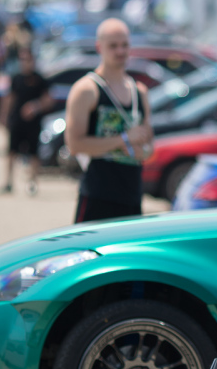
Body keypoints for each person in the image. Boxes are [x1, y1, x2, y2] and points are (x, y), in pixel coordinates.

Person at [64, 19, 153, 223]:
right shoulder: (87, 89)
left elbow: (150, 145)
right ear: (99, 47)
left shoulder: (139, 91)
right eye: (113, 46)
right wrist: (123, 139)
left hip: (132, 196)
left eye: (124, 45)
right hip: (98, 196)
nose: (120, 51)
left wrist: (144, 151)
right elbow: (75, 144)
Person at [0, 46, 52, 195]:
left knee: (34, 154)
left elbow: (48, 100)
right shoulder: (16, 78)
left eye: (27, 59)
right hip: (17, 121)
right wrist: (3, 116)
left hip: (33, 123)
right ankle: (8, 182)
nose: (25, 62)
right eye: (22, 59)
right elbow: (9, 98)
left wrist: (35, 107)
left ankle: (32, 183)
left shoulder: (40, 79)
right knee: (11, 152)